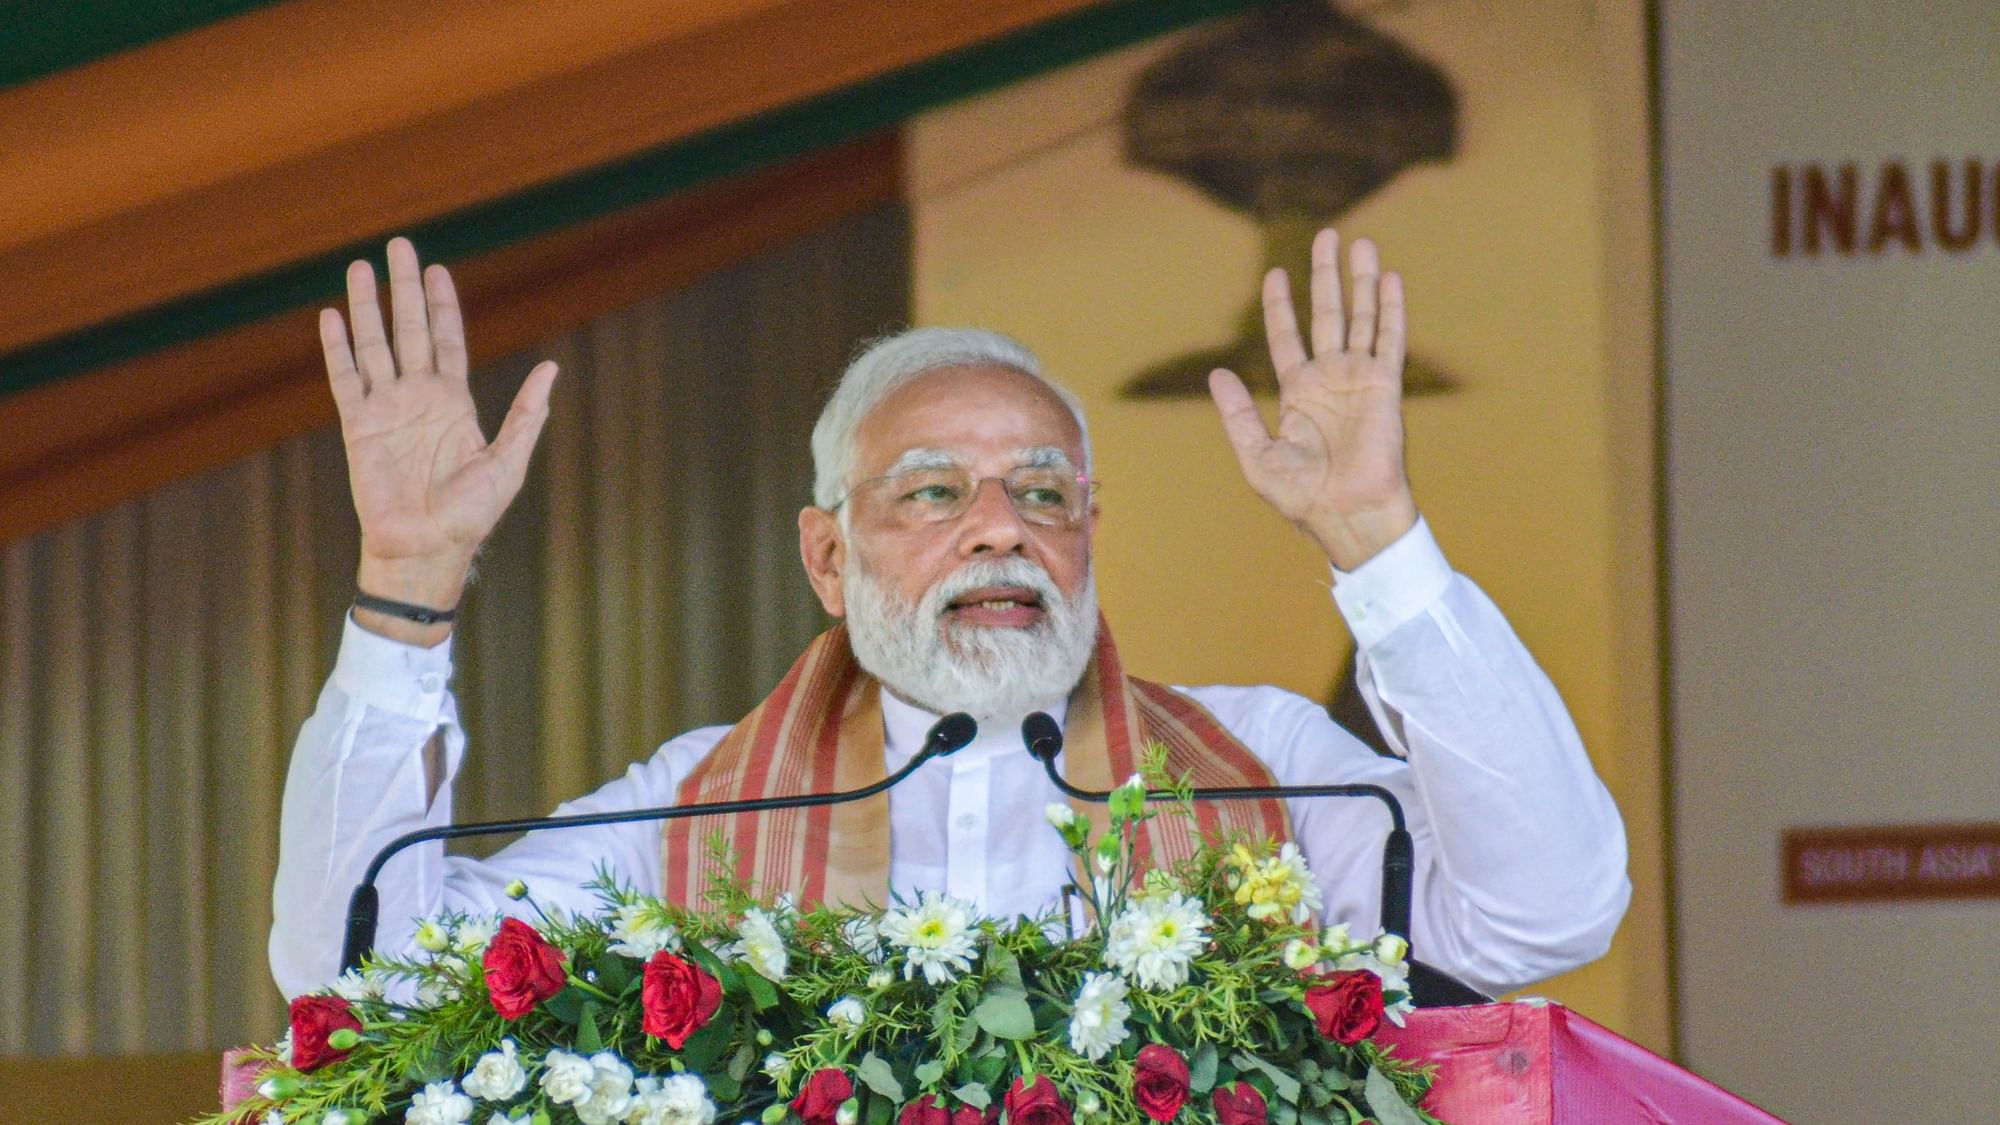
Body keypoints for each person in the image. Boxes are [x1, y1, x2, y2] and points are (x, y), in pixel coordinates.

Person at [271, 230, 1628, 1000]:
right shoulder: (699, 809)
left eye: (1043, 490)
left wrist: (1377, 541)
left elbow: (1550, 911)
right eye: (932, 491)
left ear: (1088, 533)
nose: (1002, 525)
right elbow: (354, 972)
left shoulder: (1262, 762)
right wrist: (409, 579)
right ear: (827, 551)